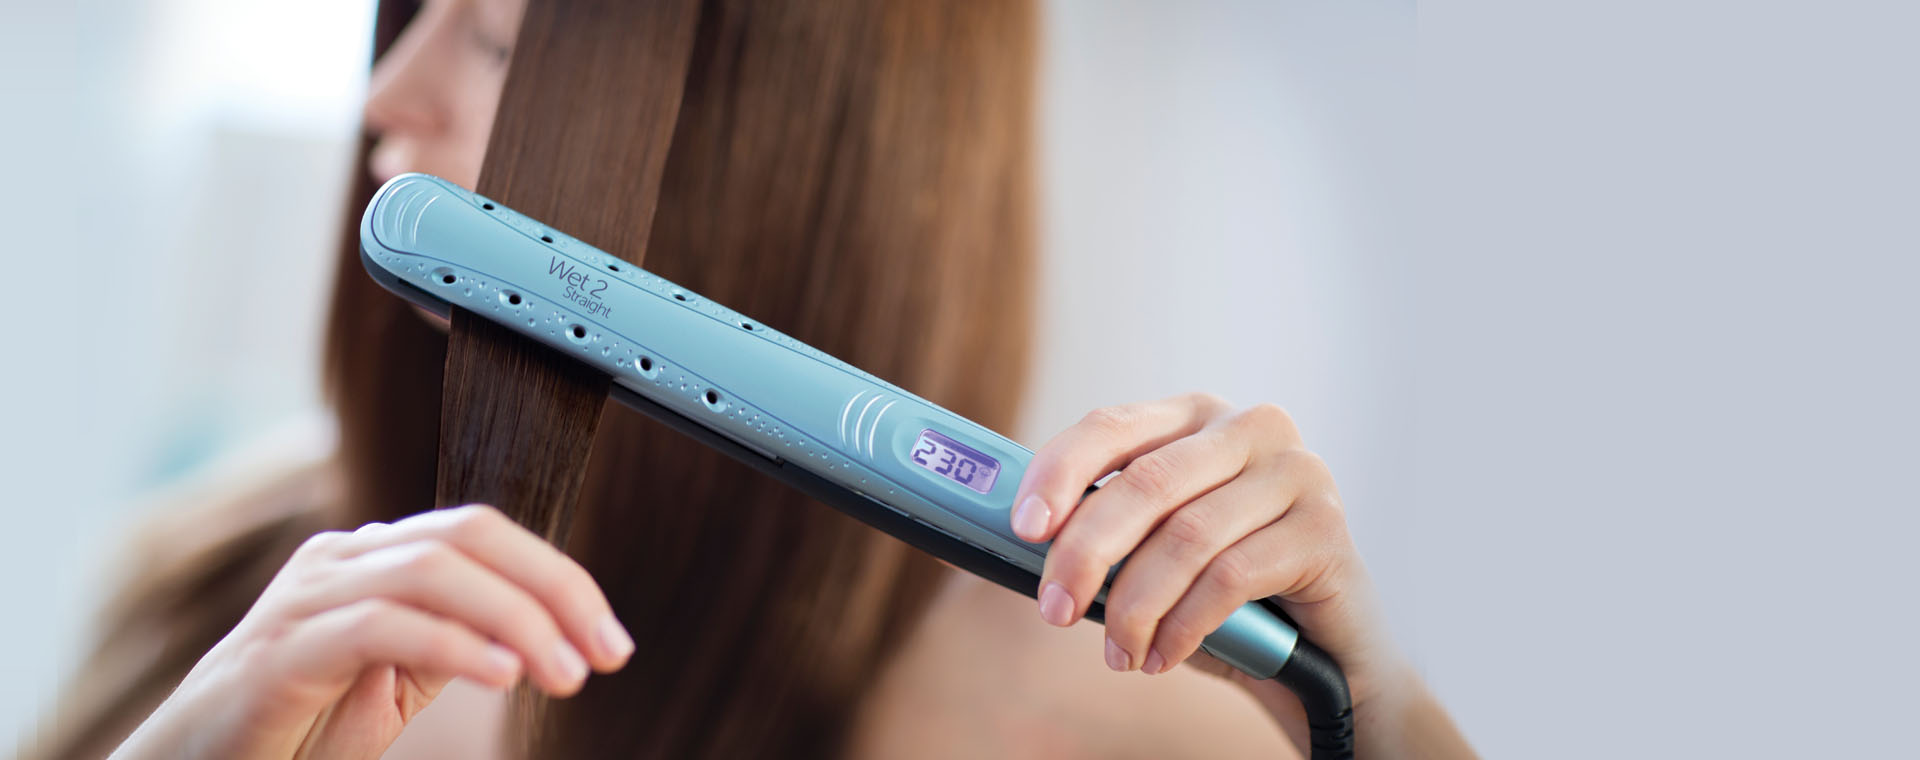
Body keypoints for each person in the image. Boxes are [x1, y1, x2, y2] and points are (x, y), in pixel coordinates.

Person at [40, 1, 1474, 758]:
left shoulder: (1092, 717)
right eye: (409, 11)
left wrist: (1381, 715)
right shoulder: (229, 586)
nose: (385, 93)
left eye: (495, 38)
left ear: (779, 136)